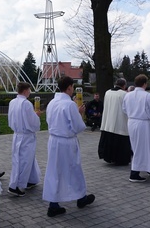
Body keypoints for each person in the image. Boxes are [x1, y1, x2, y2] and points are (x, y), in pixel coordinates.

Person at [43, 76, 95, 217]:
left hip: (54, 141)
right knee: (74, 169)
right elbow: (78, 127)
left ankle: (53, 204)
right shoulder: (70, 104)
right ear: (69, 87)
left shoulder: (52, 102)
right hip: (66, 142)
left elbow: (50, 120)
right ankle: (81, 198)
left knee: (55, 172)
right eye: (72, 87)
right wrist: (80, 114)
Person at [122, 74, 150, 182]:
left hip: (132, 122)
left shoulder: (128, 95)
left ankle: (148, 168)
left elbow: (124, 109)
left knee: (141, 147)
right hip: (143, 124)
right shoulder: (148, 96)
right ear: (145, 84)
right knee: (142, 148)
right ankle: (134, 173)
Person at [7, 82, 41, 197]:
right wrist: (37, 115)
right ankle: (17, 186)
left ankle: (31, 179)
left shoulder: (12, 102)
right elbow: (32, 121)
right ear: (26, 90)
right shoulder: (26, 104)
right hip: (26, 136)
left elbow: (10, 118)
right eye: (29, 90)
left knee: (25, 158)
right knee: (24, 160)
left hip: (17, 134)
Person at [98, 78, 132, 166]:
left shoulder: (107, 92)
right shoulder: (124, 94)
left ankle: (109, 157)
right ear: (124, 85)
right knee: (120, 139)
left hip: (108, 121)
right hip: (119, 122)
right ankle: (120, 159)